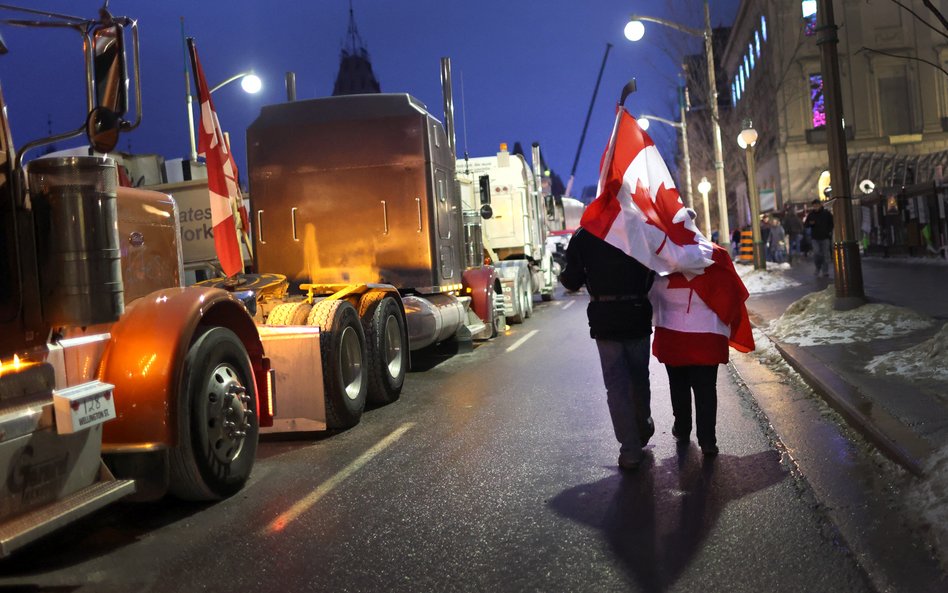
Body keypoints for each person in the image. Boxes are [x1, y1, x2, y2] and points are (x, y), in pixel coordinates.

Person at [559, 227, 655, 471]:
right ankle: (642, 425)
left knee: (616, 386)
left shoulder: (585, 234)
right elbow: (654, 266)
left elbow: (571, 280)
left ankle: (630, 450)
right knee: (639, 377)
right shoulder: (639, 228)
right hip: (637, 314)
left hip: (606, 320)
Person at [648, 243, 754, 457]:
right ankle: (707, 440)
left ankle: (683, 428)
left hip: (673, 334)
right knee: (706, 388)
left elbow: (652, 296)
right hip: (707, 335)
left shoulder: (663, 260)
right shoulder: (715, 257)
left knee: (678, 384)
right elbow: (730, 293)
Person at [804, 198, 834, 276]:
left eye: (817, 205)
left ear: (820, 205)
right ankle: (818, 267)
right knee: (817, 253)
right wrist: (811, 224)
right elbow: (806, 224)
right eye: (814, 206)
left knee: (825, 254)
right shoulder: (811, 215)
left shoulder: (826, 213)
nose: (815, 207)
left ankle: (825, 271)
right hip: (815, 238)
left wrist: (829, 231)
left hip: (825, 237)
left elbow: (832, 223)